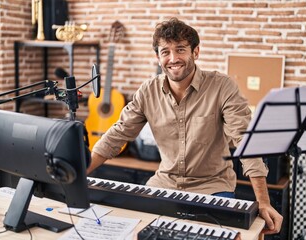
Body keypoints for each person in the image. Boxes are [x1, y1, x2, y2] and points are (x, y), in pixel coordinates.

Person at [87, 17, 283, 235]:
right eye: (165, 52)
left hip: (213, 188)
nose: (173, 58)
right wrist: (77, 176)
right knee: (129, 232)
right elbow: (116, 135)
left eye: (180, 49)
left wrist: (263, 202)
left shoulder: (222, 86)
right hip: (163, 184)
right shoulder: (147, 91)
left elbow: (246, 141)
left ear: (195, 52)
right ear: (157, 57)